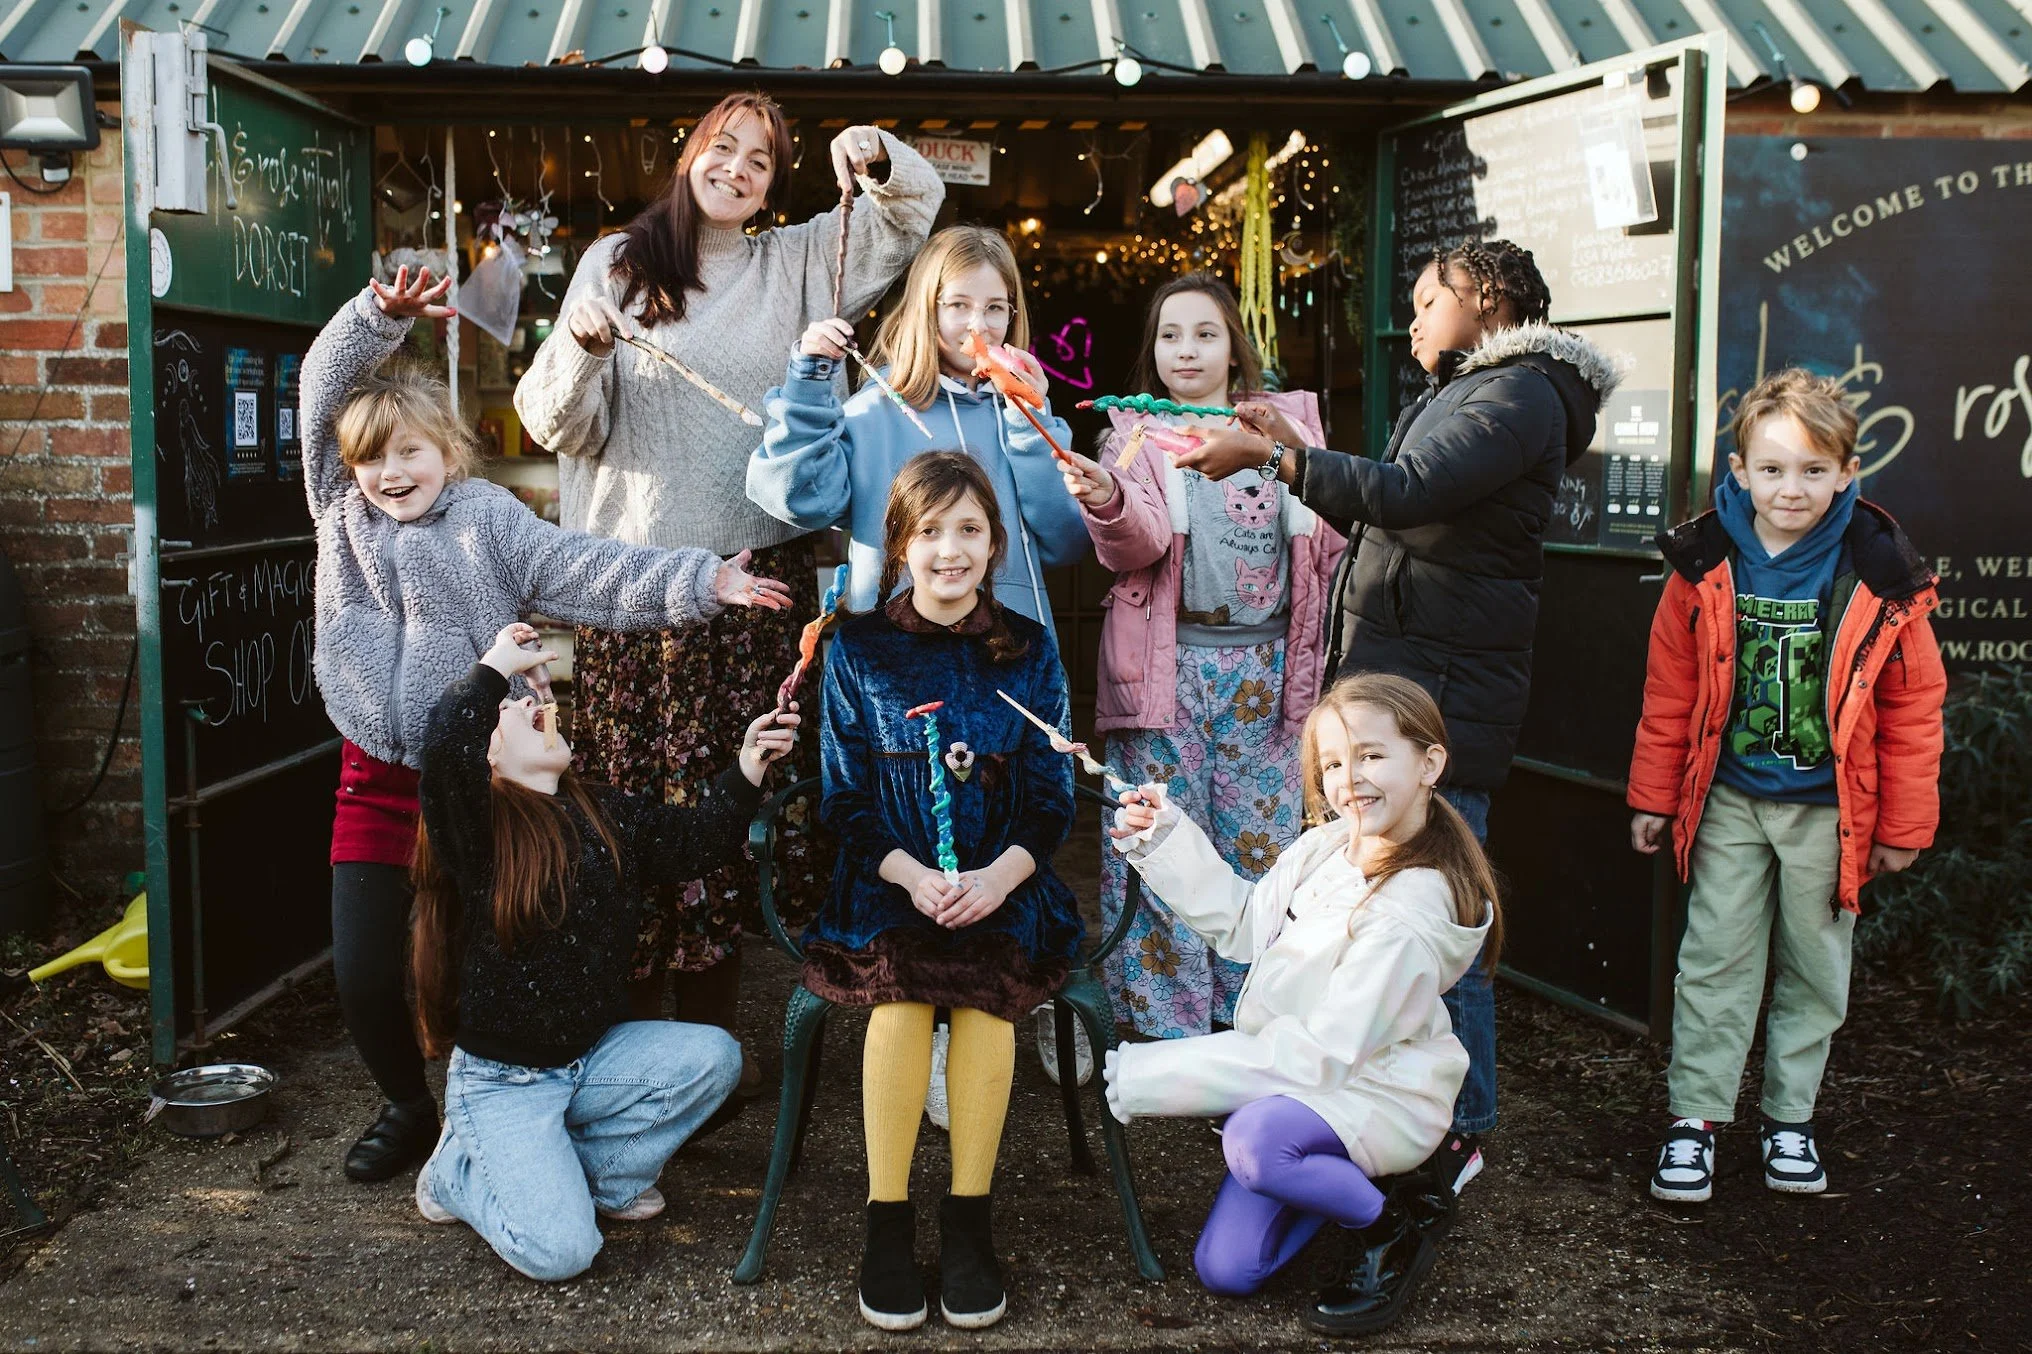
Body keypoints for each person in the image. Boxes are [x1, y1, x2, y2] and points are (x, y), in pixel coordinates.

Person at [302, 267, 790, 1184]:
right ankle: (409, 1104)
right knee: (366, 970)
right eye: (372, 460)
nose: (391, 474)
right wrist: (375, 317)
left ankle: (520, 1103)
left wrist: (702, 580)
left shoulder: (489, 521)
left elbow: (590, 569)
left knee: (491, 955)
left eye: (409, 451)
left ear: (448, 447)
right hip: (376, 771)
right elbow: (319, 388)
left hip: (492, 779)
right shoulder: (339, 512)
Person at [1180, 239, 1622, 1191]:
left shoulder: (1521, 393)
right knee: (1378, 915)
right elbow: (1396, 518)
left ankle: (1457, 1134)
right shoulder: (1474, 389)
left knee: (1440, 925)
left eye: (1432, 299)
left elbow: (1408, 495)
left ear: (1490, 300)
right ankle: (1387, 1111)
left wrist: (1277, 460)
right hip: (1408, 685)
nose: (1415, 318)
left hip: (1444, 704)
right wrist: (1287, 454)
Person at [514, 92, 943, 1046]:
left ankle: (708, 1046)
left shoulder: (796, 263)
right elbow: (551, 422)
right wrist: (580, 351)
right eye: (724, 147)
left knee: (735, 808)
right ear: (690, 154)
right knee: (627, 813)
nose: (738, 168)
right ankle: (612, 1036)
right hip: (634, 597)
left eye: (761, 159)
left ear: (773, 184)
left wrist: (875, 151)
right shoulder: (617, 266)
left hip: (757, 590)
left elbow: (912, 211)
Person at [1629, 368, 1945, 1204]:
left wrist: (1904, 825)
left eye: (1813, 470)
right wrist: (1655, 797)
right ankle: (1695, 1120)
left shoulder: (1879, 568)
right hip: (1729, 799)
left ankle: (1789, 1119)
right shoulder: (1703, 560)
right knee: (1714, 961)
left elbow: (1915, 705)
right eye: (1771, 470)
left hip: (1829, 813)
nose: (1791, 488)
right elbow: (1670, 692)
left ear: (1847, 472)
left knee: (1814, 968)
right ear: (1739, 472)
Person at [1104, 672, 1498, 1337]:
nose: (1352, 779)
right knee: (1227, 1269)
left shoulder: (1409, 909)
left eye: (1373, 755)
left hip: (1376, 1091)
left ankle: (1394, 1224)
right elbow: (1242, 925)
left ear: (1430, 763)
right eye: (1335, 763)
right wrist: (1165, 836)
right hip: (1306, 1081)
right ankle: (1333, 1175)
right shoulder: (1328, 847)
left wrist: (1155, 1073)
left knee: (1254, 1142)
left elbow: (1324, 1053)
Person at [408, 623, 799, 1280]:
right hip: (504, 1083)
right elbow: (445, 744)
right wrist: (495, 666)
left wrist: (748, 765)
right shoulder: (480, 830)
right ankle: (456, 1174)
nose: (537, 703)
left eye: (537, 698)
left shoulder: (604, 811)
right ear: (490, 759)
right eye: (514, 707)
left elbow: (696, 843)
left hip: (587, 1059)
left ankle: (601, 1178)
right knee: (565, 1252)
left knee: (716, 1057)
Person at [804, 452, 1082, 1331]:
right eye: (930, 532)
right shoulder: (857, 647)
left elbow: (1051, 796)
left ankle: (969, 1218)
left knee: (987, 1002)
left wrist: (998, 877)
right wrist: (912, 874)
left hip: (1003, 877)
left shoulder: (1029, 649)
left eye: (969, 531)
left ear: (995, 544)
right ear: (900, 545)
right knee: (903, 1000)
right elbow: (841, 797)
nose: (950, 551)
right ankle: (888, 1222)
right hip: (889, 877)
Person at [1055, 271, 1345, 1044]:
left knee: (1262, 846)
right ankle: (1164, 1020)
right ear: (1152, 351)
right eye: (1171, 335)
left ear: (1232, 348)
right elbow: (1136, 546)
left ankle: (1248, 1012)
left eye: (1205, 333)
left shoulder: (1286, 429)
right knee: (1163, 838)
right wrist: (1106, 496)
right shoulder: (1134, 436)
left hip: (1271, 673)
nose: (1188, 349)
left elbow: (1330, 539)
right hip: (1167, 672)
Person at [747, 224, 1088, 629]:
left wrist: (1030, 420)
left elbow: (1066, 540)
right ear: (928, 310)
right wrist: (808, 383)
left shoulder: (1021, 414)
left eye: (995, 307)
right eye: (958, 305)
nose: (978, 325)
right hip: (899, 655)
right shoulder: (875, 411)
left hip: (1010, 651)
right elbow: (798, 499)